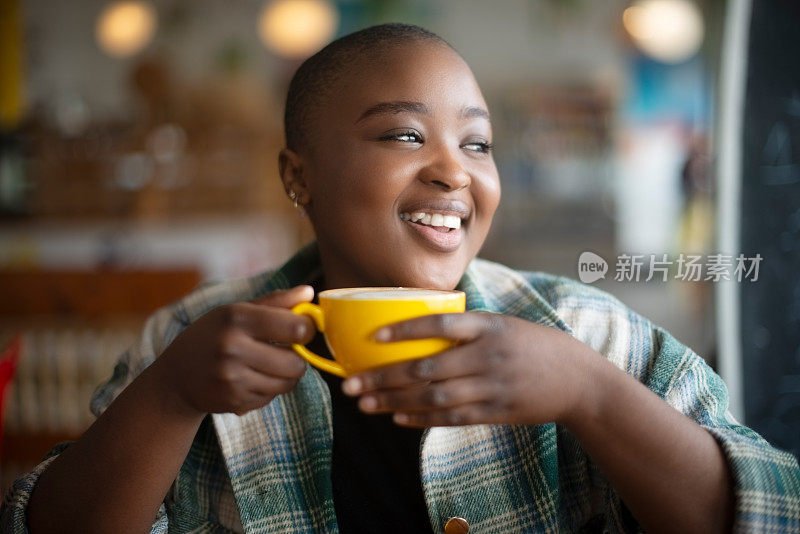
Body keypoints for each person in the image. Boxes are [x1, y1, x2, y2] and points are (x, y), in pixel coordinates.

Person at [4, 23, 799, 534]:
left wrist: (590, 393)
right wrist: (172, 397)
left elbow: (772, 508)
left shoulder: (584, 334)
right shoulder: (189, 344)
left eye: (478, 145)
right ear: (298, 176)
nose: (454, 171)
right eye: (404, 134)